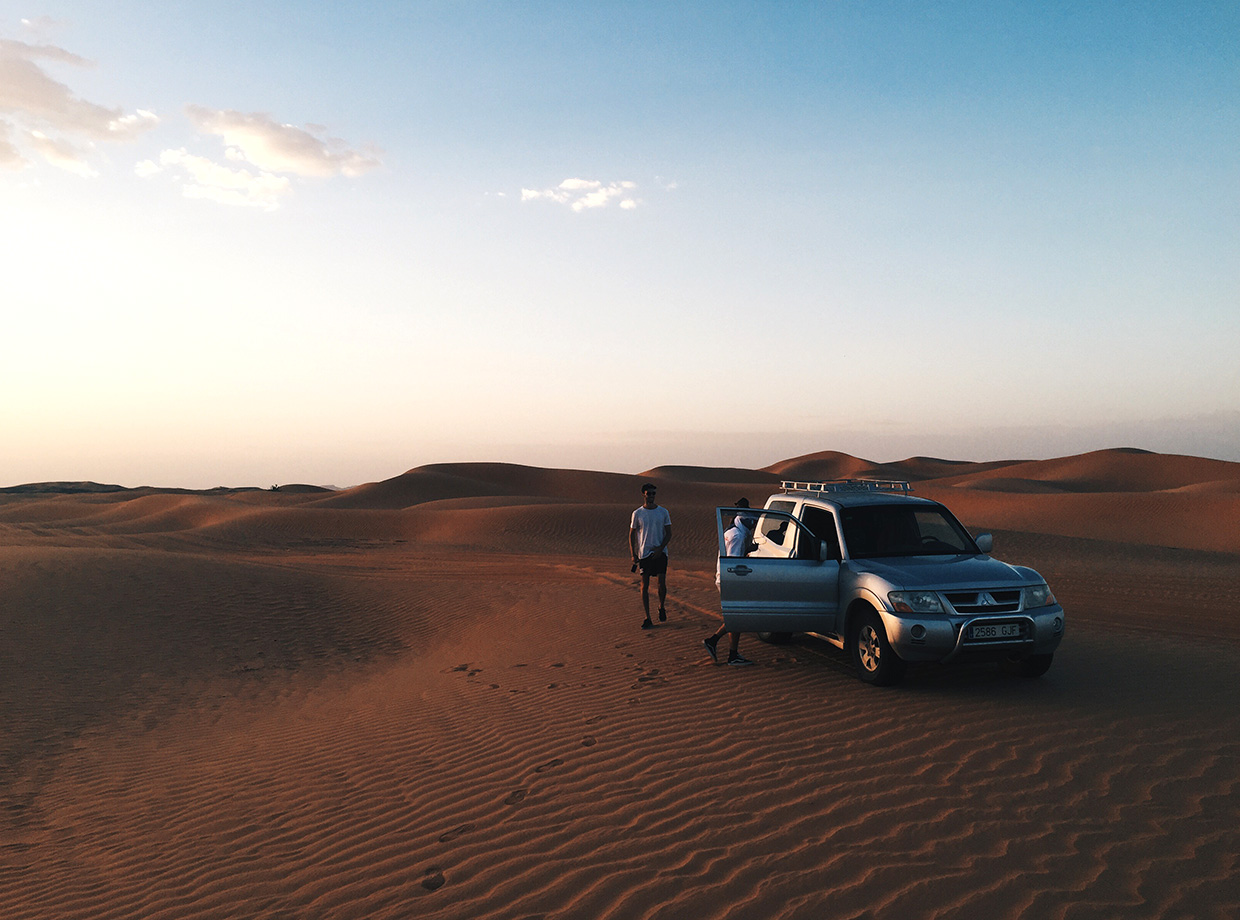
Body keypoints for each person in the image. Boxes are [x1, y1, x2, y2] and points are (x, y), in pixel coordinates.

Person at [705, 498, 756, 665]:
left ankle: (729, 652)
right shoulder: (738, 535)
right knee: (737, 616)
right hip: (730, 579)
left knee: (735, 616)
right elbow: (734, 563)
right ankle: (717, 643)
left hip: (725, 577)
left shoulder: (732, 531)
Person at [629, 482, 672, 629]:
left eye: (654, 493)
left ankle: (661, 606)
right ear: (644, 494)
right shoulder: (637, 513)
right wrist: (633, 553)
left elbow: (669, 533)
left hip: (660, 553)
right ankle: (647, 617)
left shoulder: (663, 512)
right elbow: (632, 534)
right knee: (644, 585)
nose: (652, 496)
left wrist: (661, 548)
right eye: (649, 493)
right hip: (644, 554)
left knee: (661, 583)